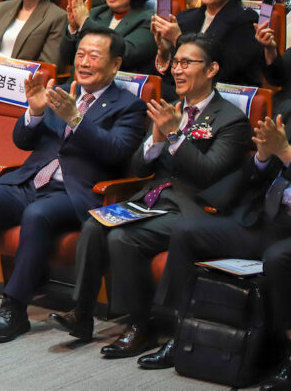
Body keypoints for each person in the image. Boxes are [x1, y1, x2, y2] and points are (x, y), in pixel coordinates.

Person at [0, 26, 147, 342]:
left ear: (114, 64)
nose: (84, 62)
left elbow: (116, 151)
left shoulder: (127, 106)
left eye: (94, 56)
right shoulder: (59, 91)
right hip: (31, 180)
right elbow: (23, 140)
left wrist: (76, 118)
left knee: (38, 215)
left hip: (75, 192)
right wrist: (34, 110)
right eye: (80, 54)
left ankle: (15, 308)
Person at [49, 32, 250, 356]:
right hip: (152, 199)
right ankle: (81, 314)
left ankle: (141, 326)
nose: (178, 70)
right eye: (176, 63)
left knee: (122, 239)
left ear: (211, 69)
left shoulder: (232, 120)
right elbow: (136, 167)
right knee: (95, 224)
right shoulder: (169, 108)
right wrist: (155, 140)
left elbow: (207, 172)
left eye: (187, 63)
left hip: (193, 208)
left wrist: (174, 136)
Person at [141, 110, 291, 383]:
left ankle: (286, 354)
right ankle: (179, 334)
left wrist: (285, 153)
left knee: (277, 259)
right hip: (263, 221)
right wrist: (263, 156)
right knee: (186, 232)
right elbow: (255, 177)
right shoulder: (288, 111)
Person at [153, 0, 262, 91]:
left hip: (223, 99)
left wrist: (179, 40)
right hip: (185, 95)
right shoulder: (185, 18)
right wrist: (164, 52)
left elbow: (221, 72)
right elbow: (170, 78)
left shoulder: (245, 20)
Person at [62, 0, 156, 73]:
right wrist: (73, 28)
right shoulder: (95, 13)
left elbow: (126, 54)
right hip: (80, 82)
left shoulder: (148, 20)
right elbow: (67, 58)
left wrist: (85, 23)